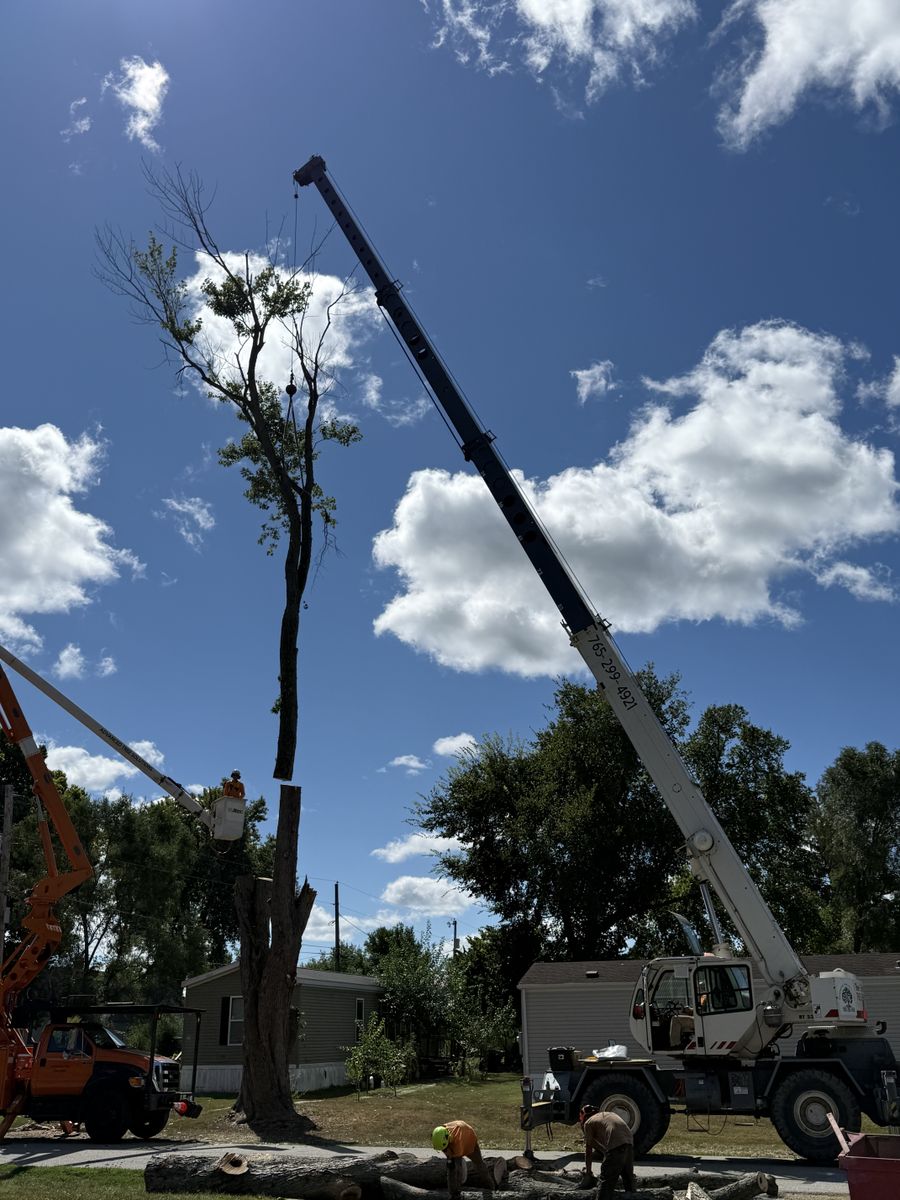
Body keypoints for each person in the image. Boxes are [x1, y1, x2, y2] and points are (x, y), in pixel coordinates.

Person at [579, 1105, 637, 1199]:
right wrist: (606, 1152)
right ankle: (632, 1195)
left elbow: (588, 1150)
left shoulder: (588, 1123)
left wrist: (588, 1173)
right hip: (629, 1142)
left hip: (617, 1144)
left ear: (584, 1118)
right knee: (628, 1179)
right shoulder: (606, 1115)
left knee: (606, 1180)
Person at [432, 1121, 495, 1199]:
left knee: (478, 1164)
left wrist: (455, 1192)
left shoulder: (457, 1144)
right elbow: (450, 1164)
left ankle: (491, 1187)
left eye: (444, 1149)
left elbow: (457, 1169)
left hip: (468, 1136)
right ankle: (454, 1193)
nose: (444, 1151)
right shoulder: (439, 1133)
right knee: (451, 1164)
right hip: (457, 1133)